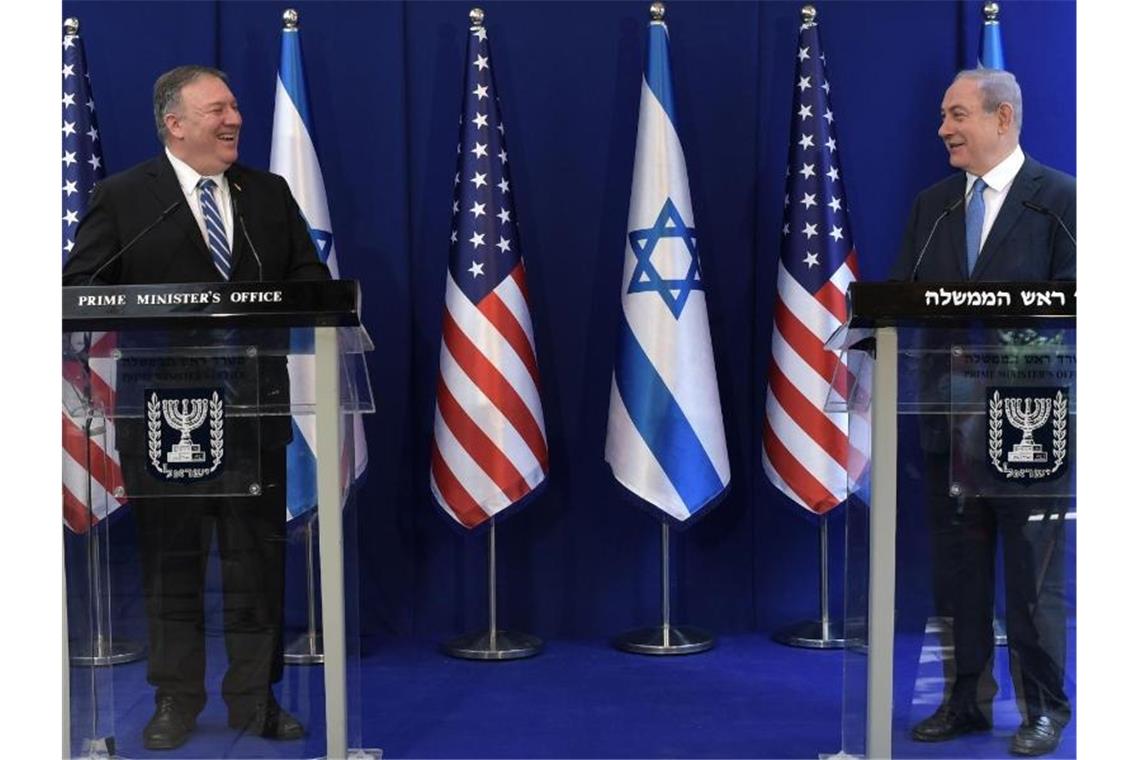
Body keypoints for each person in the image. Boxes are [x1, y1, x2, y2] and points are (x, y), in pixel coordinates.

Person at [63, 65, 330, 750]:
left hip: (254, 411)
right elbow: (79, 291)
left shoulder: (268, 195)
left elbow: (313, 285)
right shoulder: (124, 197)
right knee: (171, 563)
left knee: (255, 564)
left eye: (236, 106)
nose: (234, 118)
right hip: (163, 417)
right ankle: (174, 700)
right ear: (175, 123)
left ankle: (254, 700)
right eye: (217, 109)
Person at [892, 68, 1074, 757]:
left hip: (1030, 422)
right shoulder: (932, 206)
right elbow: (900, 302)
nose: (944, 129)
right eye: (943, 115)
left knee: (1032, 578)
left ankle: (1044, 708)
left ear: (1003, 120)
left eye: (958, 114)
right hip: (946, 420)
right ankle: (965, 699)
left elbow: (1080, 308)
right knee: (959, 572)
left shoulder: (1060, 201)